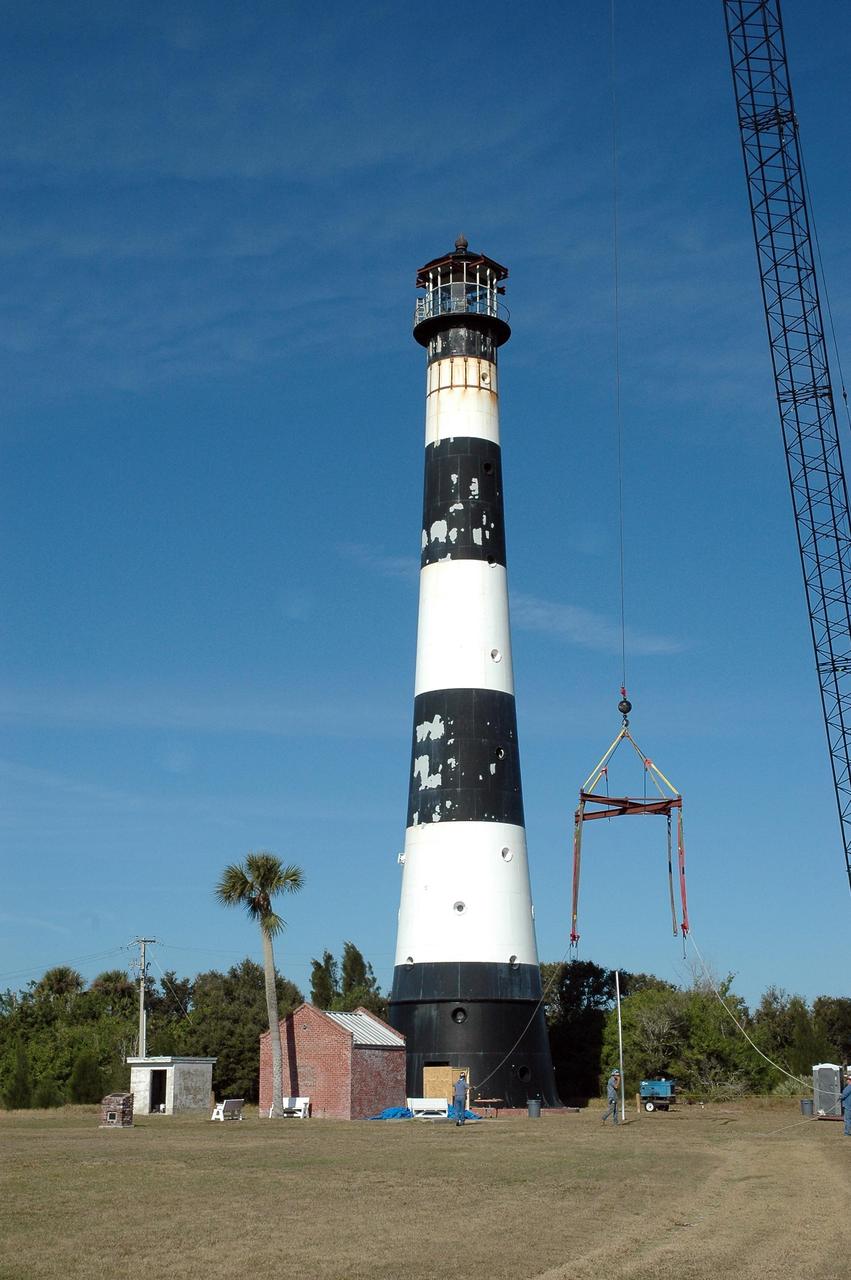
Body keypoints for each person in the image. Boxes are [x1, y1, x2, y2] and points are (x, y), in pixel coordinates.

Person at [841, 1071, 851, 1137]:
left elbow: (843, 1095)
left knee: (847, 1120)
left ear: (849, 1080)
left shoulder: (848, 1087)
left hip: (848, 1106)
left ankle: (847, 1133)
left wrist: (840, 1097)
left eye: (847, 1079)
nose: (846, 1081)